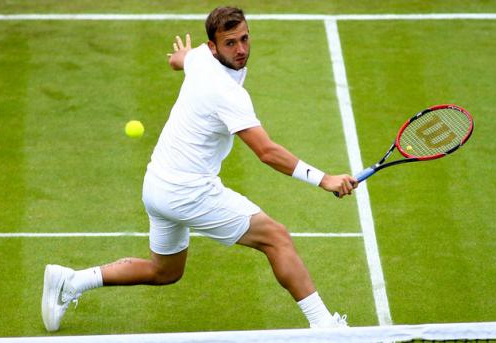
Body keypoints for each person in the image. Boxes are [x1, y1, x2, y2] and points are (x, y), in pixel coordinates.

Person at [41, 6, 357, 332]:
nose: (241, 49)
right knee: (276, 238)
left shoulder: (199, 59)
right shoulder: (228, 94)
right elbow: (266, 151)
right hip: (188, 192)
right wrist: (325, 179)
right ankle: (325, 328)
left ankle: (72, 281)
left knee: (164, 272)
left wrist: (182, 58)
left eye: (245, 39)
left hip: (157, 186)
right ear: (213, 46)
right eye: (231, 43)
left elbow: (177, 60)